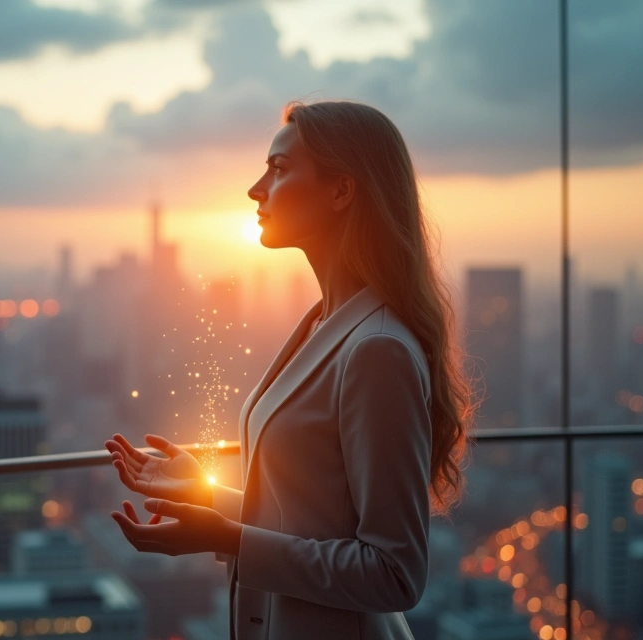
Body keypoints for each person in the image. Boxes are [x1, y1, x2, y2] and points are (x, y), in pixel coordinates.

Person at [104, 100, 474, 639]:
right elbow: (309, 521)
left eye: (278, 169)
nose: (256, 188)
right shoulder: (323, 324)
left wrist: (228, 538)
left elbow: (394, 574)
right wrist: (204, 494)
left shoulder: (376, 350)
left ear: (341, 191)